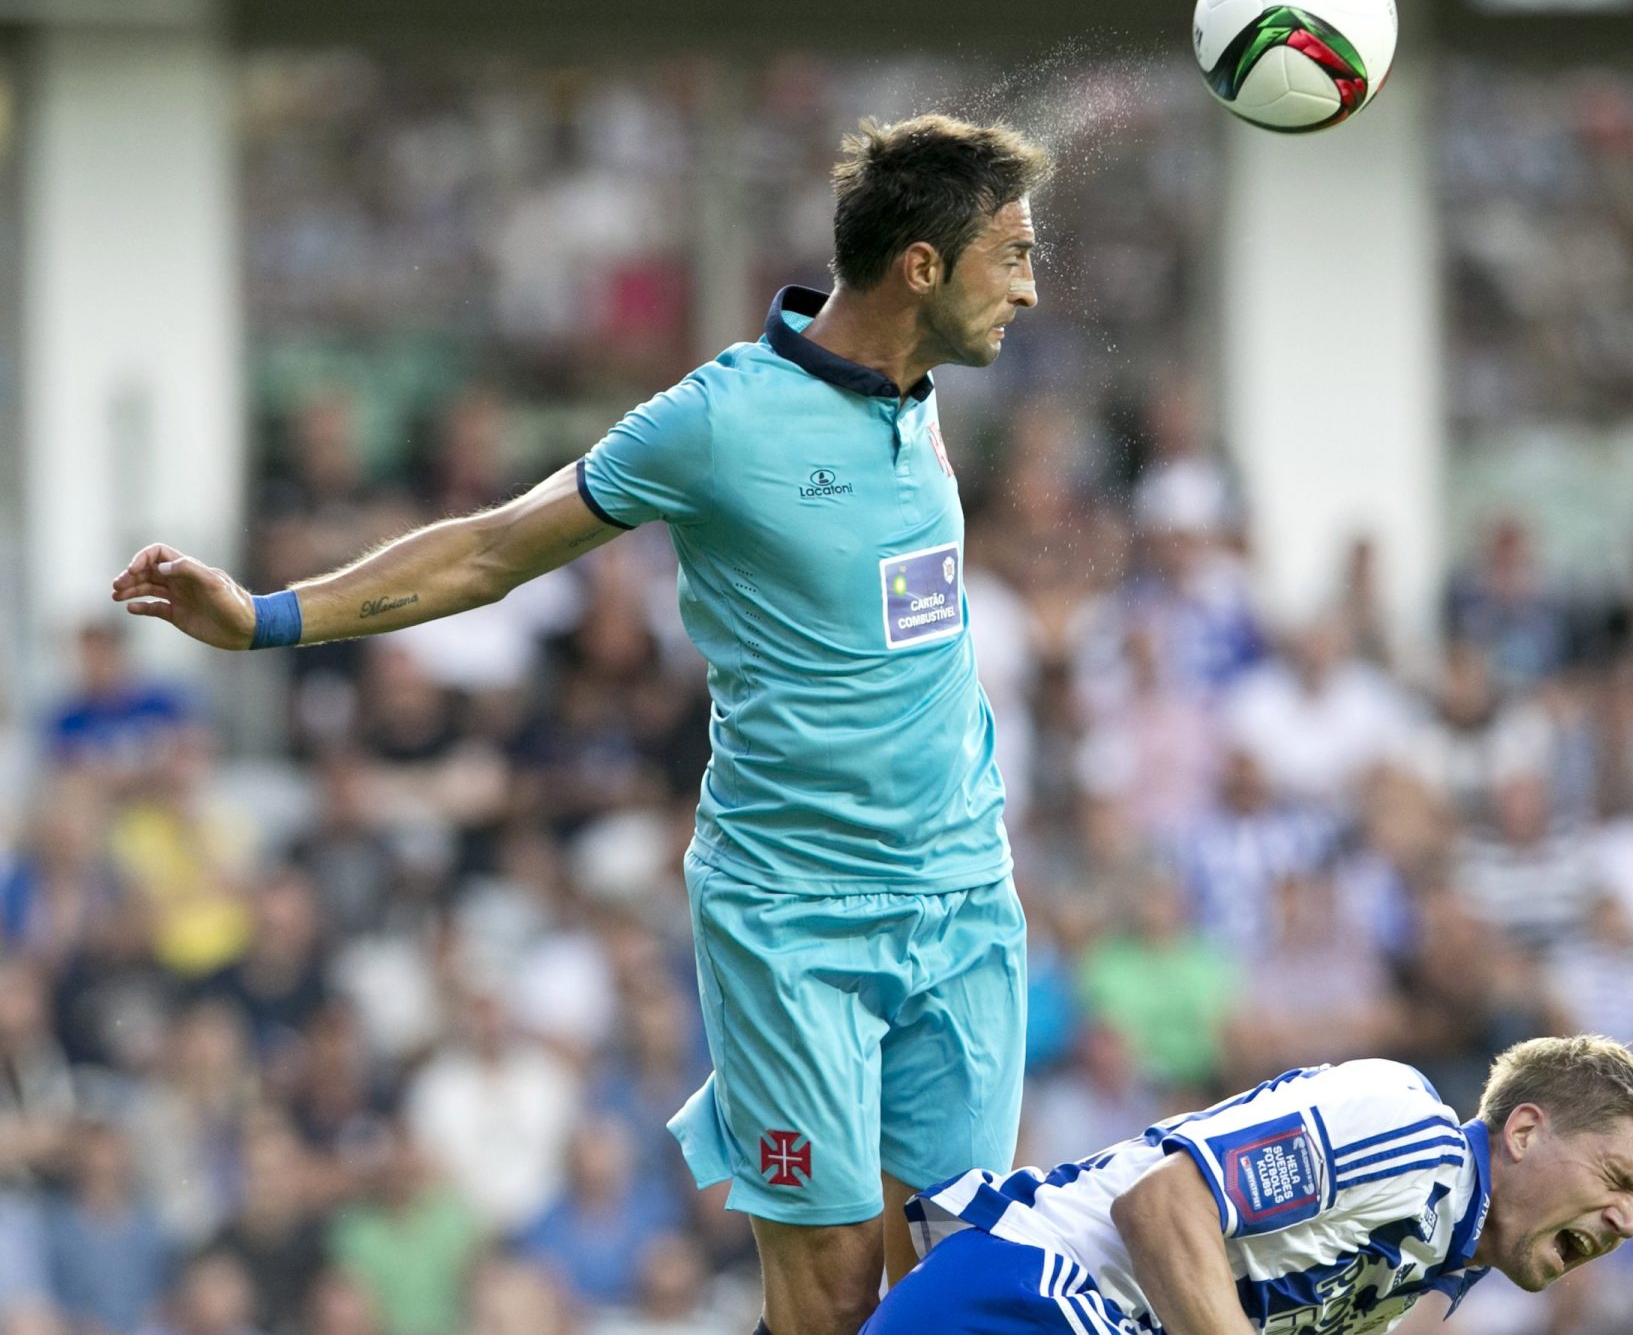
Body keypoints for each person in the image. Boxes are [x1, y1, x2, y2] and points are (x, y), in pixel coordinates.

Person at [110, 112, 1050, 1335]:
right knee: (829, 1296)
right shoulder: (717, 421)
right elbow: (494, 549)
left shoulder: (919, 398)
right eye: (1014, 255)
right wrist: (268, 618)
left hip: (966, 896)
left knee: (958, 1283)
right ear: (921, 266)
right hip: (798, 915)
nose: (1031, 289)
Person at [865, 1034, 1633, 1335]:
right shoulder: (1407, 1128)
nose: (1629, 1222)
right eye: (1617, 1177)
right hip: (1032, 1302)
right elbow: (1161, 1207)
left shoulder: (1423, 1260)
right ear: (1524, 1131)